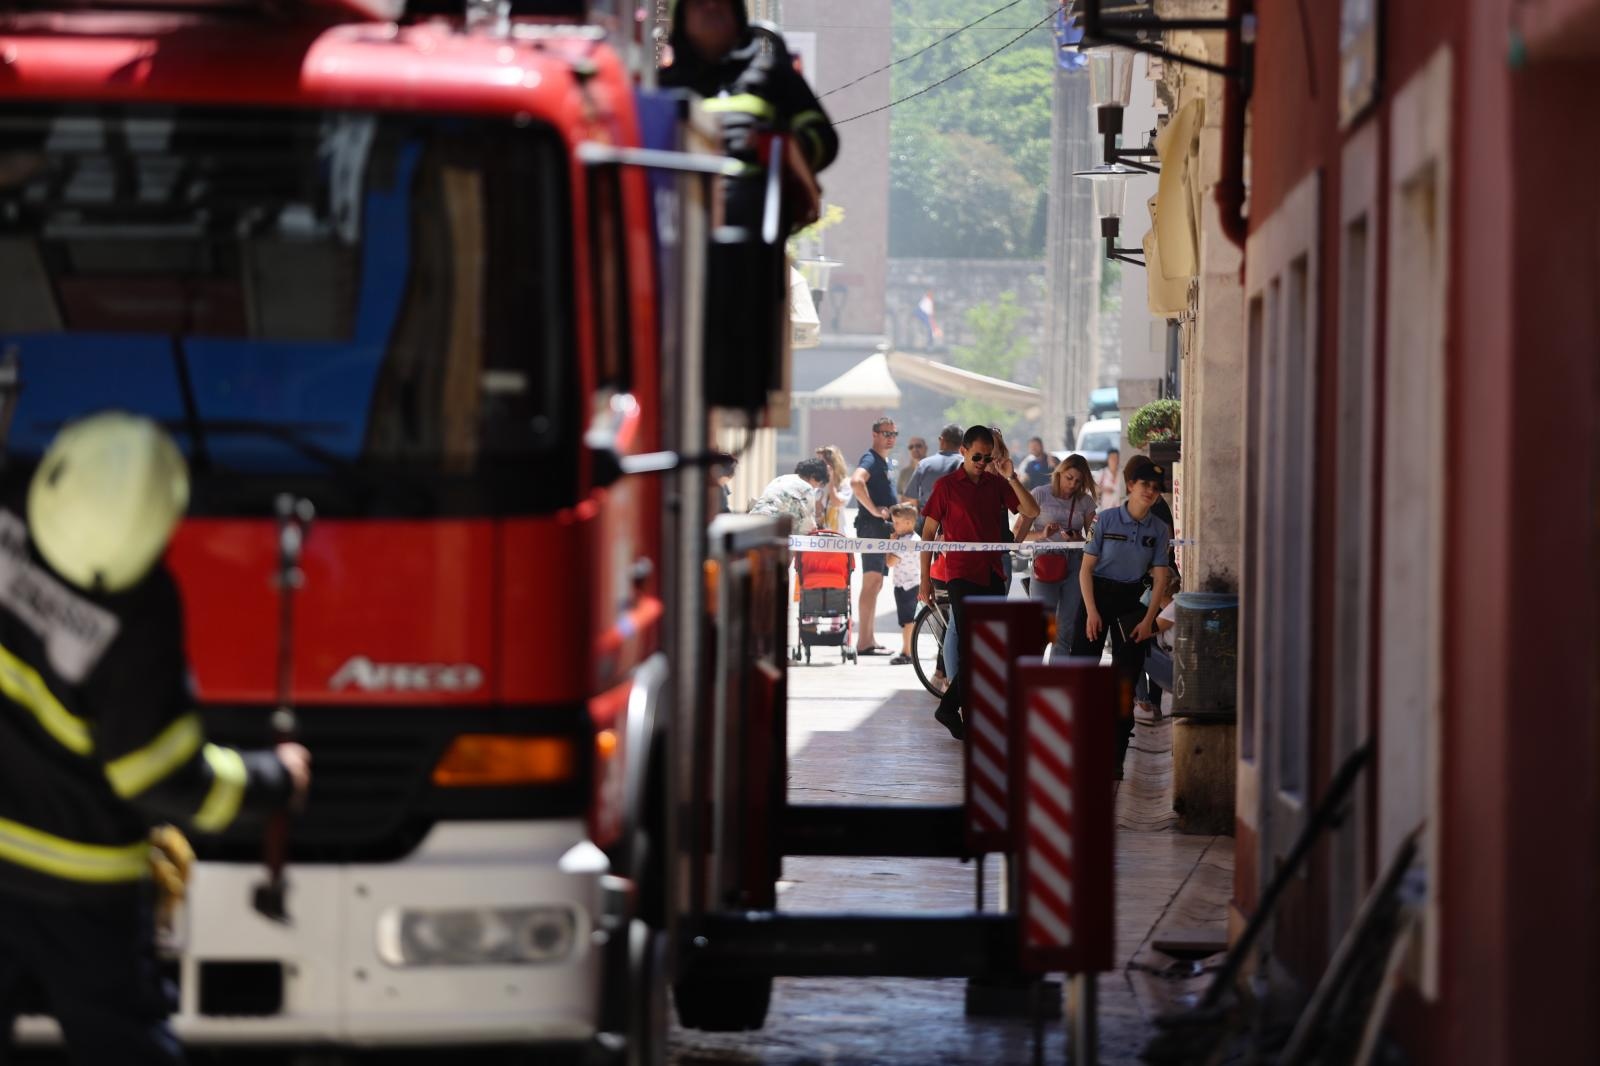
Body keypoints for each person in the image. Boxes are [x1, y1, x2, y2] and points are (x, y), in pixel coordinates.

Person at [0, 413, 311, 1065]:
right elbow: (157, 777)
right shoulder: (140, 612)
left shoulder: (7, 515)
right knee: (123, 1042)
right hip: (81, 893)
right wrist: (275, 779)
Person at [660, 0, 838, 234]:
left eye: (723, 2)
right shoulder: (663, 85)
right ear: (682, 19)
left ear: (738, 16)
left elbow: (823, 137)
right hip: (678, 218)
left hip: (753, 219)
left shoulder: (771, 72)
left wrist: (785, 145)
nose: (712, 7)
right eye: (699, 3)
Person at [919, 426, 1039, 739]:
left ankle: (955, 709)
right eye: (977, 456)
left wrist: (1011, 476)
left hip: (992, 574)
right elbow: (928, 535)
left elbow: (1031, 510)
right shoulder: (945, 486)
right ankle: (953, 708)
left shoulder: (996, 484)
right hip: (960, 574)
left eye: (987, 457)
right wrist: (924, 581)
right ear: (963, 451)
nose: (982, 462)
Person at [1071, 454, 1172, 778]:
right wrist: (1091, 612)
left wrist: (1148, 619)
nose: (1151, 492)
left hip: (1132, 601)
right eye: (1145, 485)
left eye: (1156, 488)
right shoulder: (1106, 520)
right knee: (1081, 673)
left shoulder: (1158, 529)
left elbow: (1160, 577)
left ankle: (1115, 756)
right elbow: (1085, 570)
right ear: (1130, 485)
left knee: (1125, 679)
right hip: (1097, 594)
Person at [1013, 454, 1097, 659]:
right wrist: (1042, 534)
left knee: (1065, 630)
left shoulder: (1085, 501)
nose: (1073, 484)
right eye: (1069, 478)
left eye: (1078, 481)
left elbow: (1091, 538)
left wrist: (1078, 537)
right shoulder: (1039, 494)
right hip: (1045, 562)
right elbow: (1018, 535)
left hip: (1075, 564)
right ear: (1059, 473)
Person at [849, 417, 901, 655]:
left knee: (877, 583)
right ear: (875, 434)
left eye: (894, 434)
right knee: (871, 583)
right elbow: (856, 481)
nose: (890, 438)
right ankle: (863, 642)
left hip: (883, 530)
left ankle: (869, 639)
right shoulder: (870, 458)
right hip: (871, 529)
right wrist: (873, 510)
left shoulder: (884, 461)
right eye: (886, 433)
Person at [748, 457, 829, 533]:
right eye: (820, 484)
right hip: (771, 528)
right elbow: (808, 526)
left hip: (752, 522)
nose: (817, 487)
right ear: (813, 477)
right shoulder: (807, 488)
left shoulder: (781, 478)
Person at [884, 504, 921, 666]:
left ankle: (907, 652)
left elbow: (890, 562)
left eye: (897, 523)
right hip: (912, 583)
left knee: (907, 621)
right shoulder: (915, 538)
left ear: (908, 523)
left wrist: (890, 545)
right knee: (908, 621)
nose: (894, 526)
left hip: (906, 586)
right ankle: (908, 650)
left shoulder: (903, 542)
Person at [815, 445, 851, 531]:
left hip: (837, 535)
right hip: (820, 534)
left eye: (822, 463)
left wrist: (831, 480)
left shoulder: (845, 483)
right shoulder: (818, 484)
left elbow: (837, 502)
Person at [897, 437, 927, 501]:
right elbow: (900, 496)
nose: (914, 449)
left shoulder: (934, 469)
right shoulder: (904, 473)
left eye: (918, 446)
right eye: (911, 447)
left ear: (926, 448)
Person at [1097, 447, 1123, 511]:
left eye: (1116, 458)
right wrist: (1103, 489)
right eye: (1112, 458)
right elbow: (1093, 489)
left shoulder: (1122, 474)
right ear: (1108, 459)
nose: (1114, 460)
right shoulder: (1102, 473)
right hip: (1106, 509)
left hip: (1120, 510)